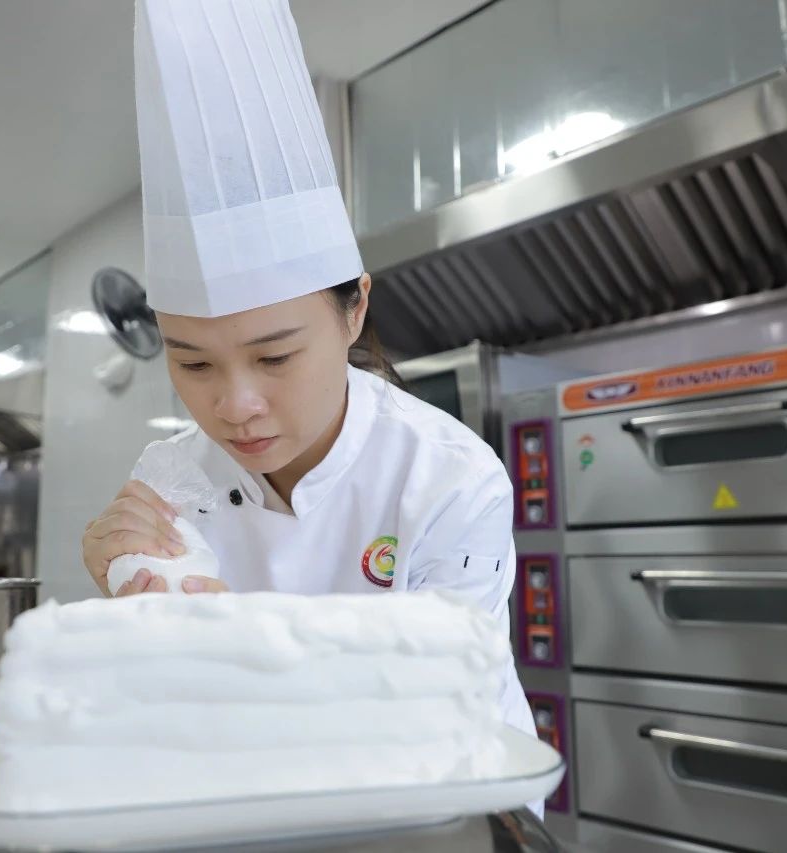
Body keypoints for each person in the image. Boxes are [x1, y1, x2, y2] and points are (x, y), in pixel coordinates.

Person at [83, 0, 540, 814]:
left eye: (275, 356)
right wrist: (122, 593)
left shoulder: (448, 479)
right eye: (193, 362)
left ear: (354, 309)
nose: (235, 405)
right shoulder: (173, 476)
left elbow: (437, 711)